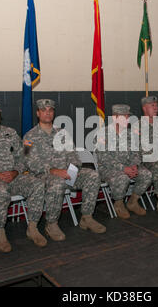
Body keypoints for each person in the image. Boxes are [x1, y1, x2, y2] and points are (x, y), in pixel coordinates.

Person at [23, 99, 106, 244]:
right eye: (44, 110)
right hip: (45, 176)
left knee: (93, 175)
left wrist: (71, 169)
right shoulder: (29, 137)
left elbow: (73, 155)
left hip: (68, 174)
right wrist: (54, 170)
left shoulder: (62, 133)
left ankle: (87, 217)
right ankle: (52, 224)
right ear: (38, 113)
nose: (48, 113)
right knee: (57, 183)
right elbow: (30, 162)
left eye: (50, 110)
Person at [0, 99, 45, 252]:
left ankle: (32, 227)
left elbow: (24, 155)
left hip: (14, 176)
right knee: (0, 190)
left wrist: (16, 171)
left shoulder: (10, 133)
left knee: (37, 184)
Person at [95, 104, 152, 219]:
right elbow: (103, 158)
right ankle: (119, 203)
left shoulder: (131, 134)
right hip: (108, 169)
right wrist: (123, 168)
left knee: (147, 174)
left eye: (128, 116)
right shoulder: (103, 134)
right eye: (124, 117)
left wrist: (134, 165)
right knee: (122, 177)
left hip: (128, 166)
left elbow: (136, 153)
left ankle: (133, 202)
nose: (127, 119)